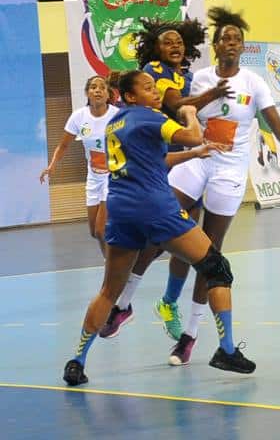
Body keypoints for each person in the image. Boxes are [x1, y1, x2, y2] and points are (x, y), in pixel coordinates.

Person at [62, 70, 256, 386]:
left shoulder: (117, 122)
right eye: (148, 88)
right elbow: (193, 134)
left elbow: (157, 162)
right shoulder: (150, 117)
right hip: (156, 209)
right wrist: (190, 114)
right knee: (217, 267)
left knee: (109, 291)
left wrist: (195, 155)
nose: (155, 92)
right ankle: (226, 349)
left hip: (121, 211)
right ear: (129, 96)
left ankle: (77, 361)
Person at [164, 7, 280, 366]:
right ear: (215, 46)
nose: (231, 43)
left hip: (229, 172)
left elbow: (275, 125)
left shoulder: (254, 83)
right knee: (163, 218)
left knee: (210, 255)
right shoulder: (198, 79)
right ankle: (154, 301)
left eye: (237, 39)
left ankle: (191, 335)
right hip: (196, 159)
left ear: (242, 48)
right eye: (225, 38)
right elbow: (175, 110)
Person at [100, 18, 233, 346]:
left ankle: (168, 303)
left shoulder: (188, 76)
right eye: (167, 42)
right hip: (163, 160)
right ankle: (124, 302)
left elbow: (192, 110)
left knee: (192, 242)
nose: (175, 46)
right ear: (154, 49)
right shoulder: (155, 72)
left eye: (179, 42)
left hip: (192, 157)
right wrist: (212, 94)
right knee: (160, 237)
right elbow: (178, 106)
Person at [40, 77, 119, 257]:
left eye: (102, 88)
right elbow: (63, 145)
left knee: (101, 230)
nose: (97, 90)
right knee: (94, 232)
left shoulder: (116, 115)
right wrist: (52, 166)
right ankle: (112, 262)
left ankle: (114, 268)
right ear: (87, 93)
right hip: (93, 177)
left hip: (113, 177)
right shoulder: (79, 116)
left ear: (108, 94)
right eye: (93, 87)